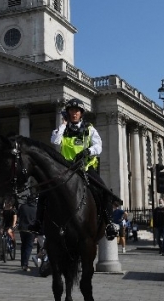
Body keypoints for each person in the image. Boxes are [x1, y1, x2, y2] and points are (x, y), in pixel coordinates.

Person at [32, 98, 120, 240]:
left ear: (81, 113)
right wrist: (63, 124)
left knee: (104, 191)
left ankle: (109, 224)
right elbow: (54, 140)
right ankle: (38, 223)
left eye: (77, 111)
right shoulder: (63, 129)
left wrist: (88, 151)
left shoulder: (89, 129)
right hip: (65, 169)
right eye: (71, 111)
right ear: (67, 113)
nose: (74, 114)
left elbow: (99, 146)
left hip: (85, 168)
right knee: (44, 192)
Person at [17, 196, 37, 272]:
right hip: (31, 230)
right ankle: (25, 264)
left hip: (22, 229)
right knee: (28, 247)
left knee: (23, 246)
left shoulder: (23, 207)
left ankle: (22, 263)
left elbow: (18, 215)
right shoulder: (36, 209)